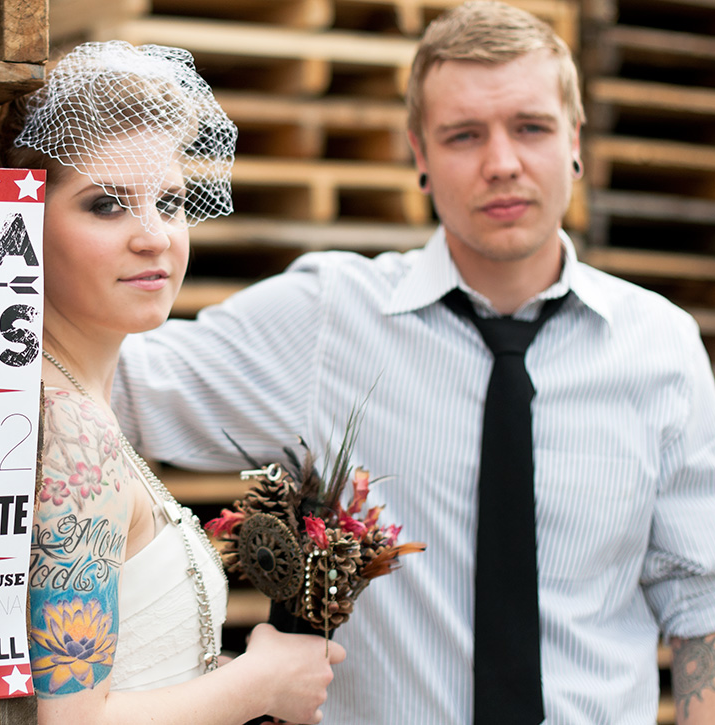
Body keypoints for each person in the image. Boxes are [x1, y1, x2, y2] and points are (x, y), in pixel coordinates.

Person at [112, 3, 715, 724]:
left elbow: (699, 601)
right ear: (419, 155)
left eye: (531, 127)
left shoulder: (661, 345)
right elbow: (111, 386)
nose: (502, 162)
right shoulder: (331, 318)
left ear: (575, 140)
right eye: (464, 135)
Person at [0, 40, 345, 725]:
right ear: (22, 220)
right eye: (105, 205)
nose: (155, 237)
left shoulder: (76, 400)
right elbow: (70, 722)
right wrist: (260, 683)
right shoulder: (71, 431)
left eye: (171, 201)